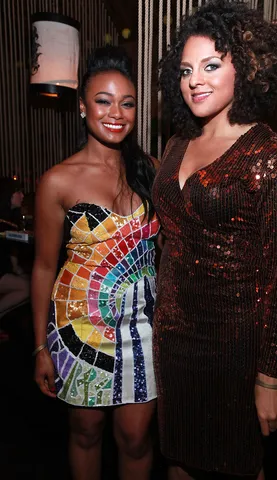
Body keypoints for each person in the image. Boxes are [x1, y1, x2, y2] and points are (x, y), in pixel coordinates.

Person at [152, 1, 277, 479]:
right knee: (178, 459)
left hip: (232, 350)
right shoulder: (177, 142)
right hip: (172, 341)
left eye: (211, 65)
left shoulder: (272, 158)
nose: (194, 79)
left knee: (234, 464)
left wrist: (270, 377)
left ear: (248, 65)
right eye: (185, 70)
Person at [32, 45, 160, 480]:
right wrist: (40, 347)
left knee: (138, 439)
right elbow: (45, 268)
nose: (116, 113)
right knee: (86, 434)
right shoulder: (58, 180)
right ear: (83, 106)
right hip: (78, 332)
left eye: (126, 103)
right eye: (103, 101)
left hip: (143, 330)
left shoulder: (151, 170)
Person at [0, 177, 29, 324]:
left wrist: (17, 269)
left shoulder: (11, 220)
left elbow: (12, 253)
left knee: (29, 284)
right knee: (27, 288)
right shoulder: (3, 222)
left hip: (5, 269)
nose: (23, 196)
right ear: (8, 195)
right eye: (18, 192)